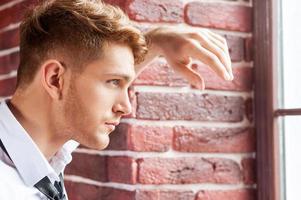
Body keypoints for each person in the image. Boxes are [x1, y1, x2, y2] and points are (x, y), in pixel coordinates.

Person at [0, 0, 233, 199]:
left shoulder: (40, 145)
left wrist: (159, 40)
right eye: (114, 82)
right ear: (55, 80)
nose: (126, 107)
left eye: (125, 84)